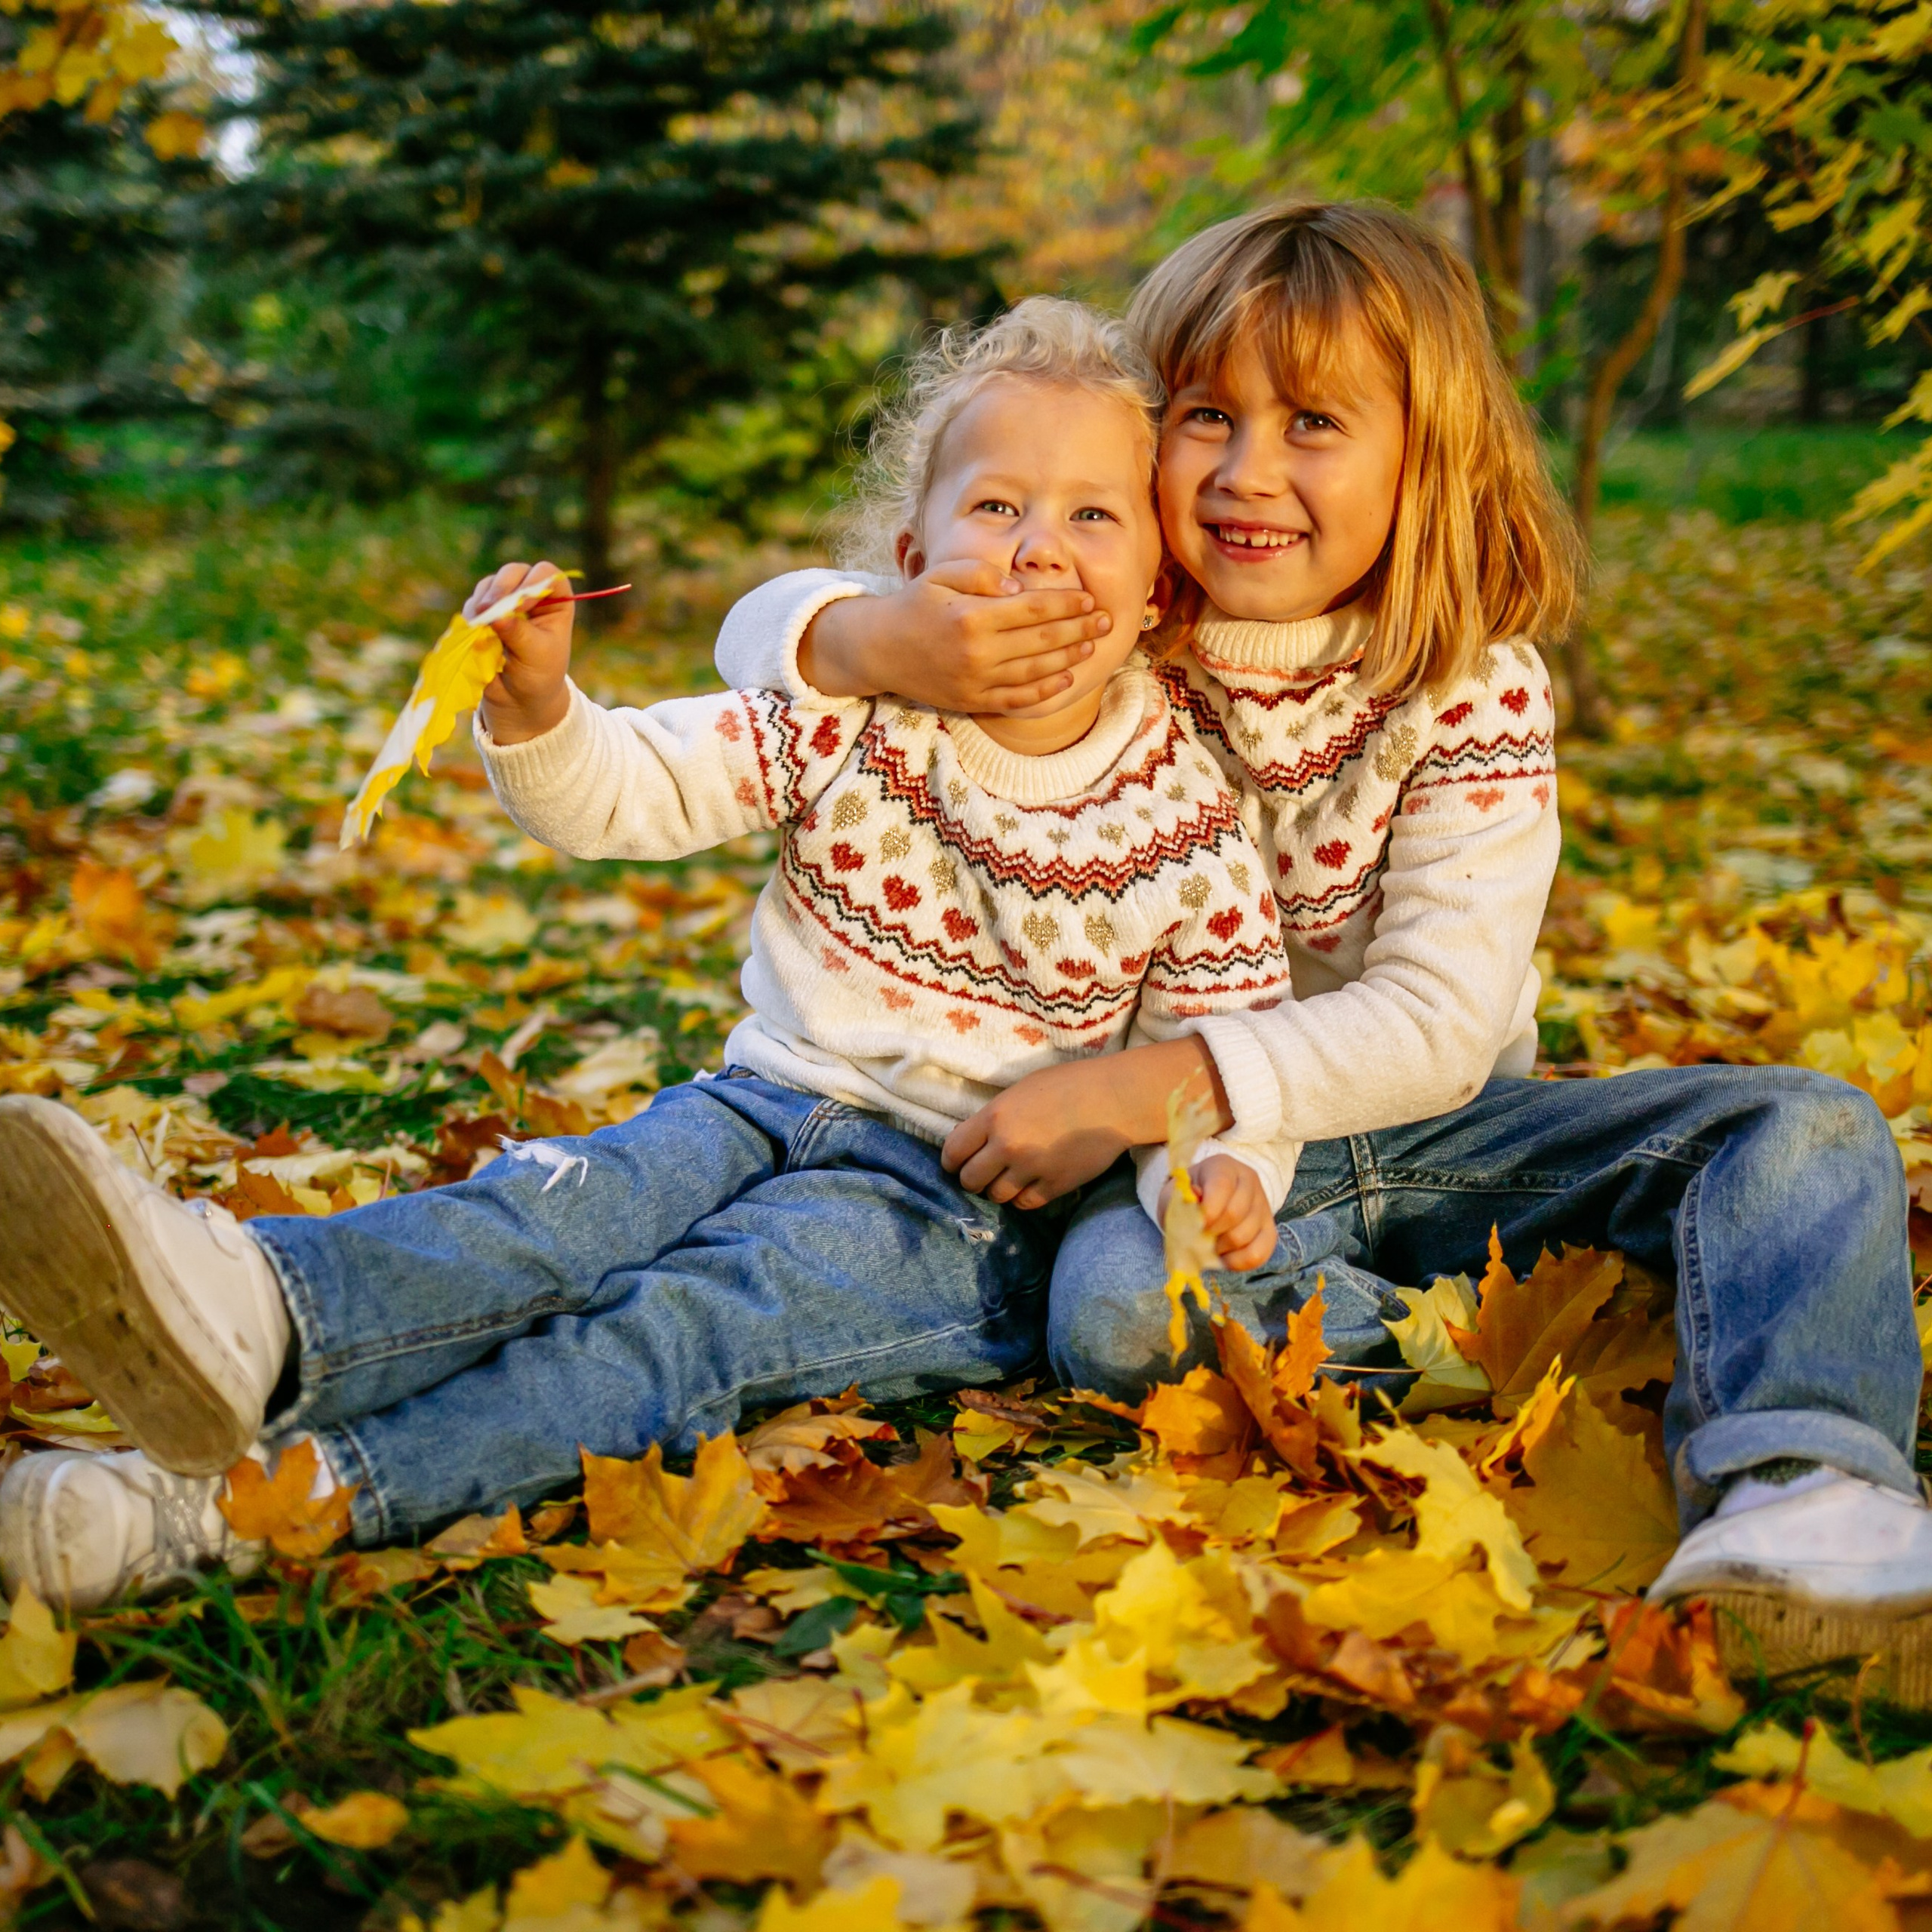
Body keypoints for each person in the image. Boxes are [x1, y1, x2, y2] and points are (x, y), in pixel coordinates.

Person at [710, 202, 1932, 1675]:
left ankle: (1804, 1480)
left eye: (1311, 423)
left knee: (1802, 1125)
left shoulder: (1468, 687)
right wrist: (866, 637)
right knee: (1110, 1319)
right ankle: (1515, 1326)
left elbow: (1432, 1013)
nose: (1244, 471)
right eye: (1205, 415)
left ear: (1425, 455)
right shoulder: (1103, 623)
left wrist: (1128, 1087)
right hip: (1207, 1185)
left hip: (1450, 1130)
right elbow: (759, 637)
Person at [0, 298, 1300, 1611]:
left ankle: (240, 1509)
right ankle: (261, 1316)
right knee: (551, 1212)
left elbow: (1217, 1050)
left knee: (669, 1337)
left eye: (1091, 516)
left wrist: (1226, 1176)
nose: (1036, 551)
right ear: (909, 557)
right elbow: (636, 791)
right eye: (997, 508)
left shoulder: (1187, 816)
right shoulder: (852, 717)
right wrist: (543, 704)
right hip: (761, 1105)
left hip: (952, 1207)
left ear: (1155, 589)